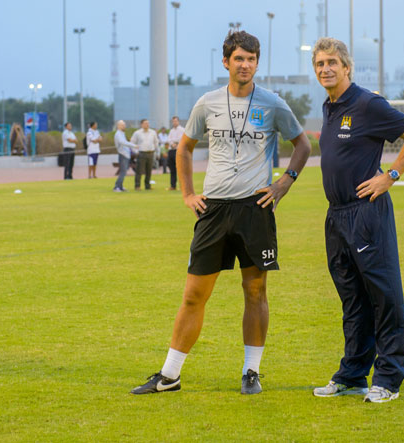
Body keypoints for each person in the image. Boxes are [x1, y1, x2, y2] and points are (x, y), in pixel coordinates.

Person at [131, 30, 311, 396]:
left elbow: (302, 144)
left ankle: (251, 372)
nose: (245, 64)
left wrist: (283, 184)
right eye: (239, 58)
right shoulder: (207, 103)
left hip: (254, 209)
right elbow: (183, 149)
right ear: (226, 62)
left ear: (257, 63)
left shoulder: (273, 103)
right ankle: (170, 375)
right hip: (213, 210)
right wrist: (187, 194)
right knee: (194, 295)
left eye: (252, 58)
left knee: (255, 291)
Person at [310, 38, 404, 403]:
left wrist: (389, 176)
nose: (325, 68)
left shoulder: (367, 103)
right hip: (337, 216)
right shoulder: (330, 107)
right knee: (353, 299)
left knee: (383, 295)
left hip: (366, 213)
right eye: (319, 64)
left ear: (347, 67)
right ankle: (353, 374)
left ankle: (388, 379)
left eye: (332, 62)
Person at [130, 119, 158, 190]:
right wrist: (136, 151)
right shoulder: (137, 133)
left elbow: (156, 142)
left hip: (150, 153)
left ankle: (147, 186)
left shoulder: (153, 132)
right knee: (139, 170)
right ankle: (137, 185)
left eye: (148, 123)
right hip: (141, 153)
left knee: (149, 170)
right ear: (141, 124)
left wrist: (154, 149)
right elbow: (132, 143)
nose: (147, 125)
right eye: (145, 123)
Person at [113, 120, 138, 192]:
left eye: (124, 125)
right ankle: (117, 187)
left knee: (124, 172)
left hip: (126, 155)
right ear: (118, 126)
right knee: (123, 172)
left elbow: (125, 143)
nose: (124, 126)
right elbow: (122, 142)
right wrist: (133, 145)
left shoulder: (122, 133)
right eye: (123, 125)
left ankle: (120, 186)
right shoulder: (118, 134)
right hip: (123, 155)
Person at [166, 116, 185, 191]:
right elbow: (168, 139)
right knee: (172, 169)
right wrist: (172, 143)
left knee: (180, 169)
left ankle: (182, 186)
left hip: (178, 150)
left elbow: (181, 139)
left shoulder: (182, 130)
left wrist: (174, 142)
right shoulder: (171, 131)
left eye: (176, 121)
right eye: (173, 121)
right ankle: (173, 186)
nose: (174, 122)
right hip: (171, 150)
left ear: (178, 121)